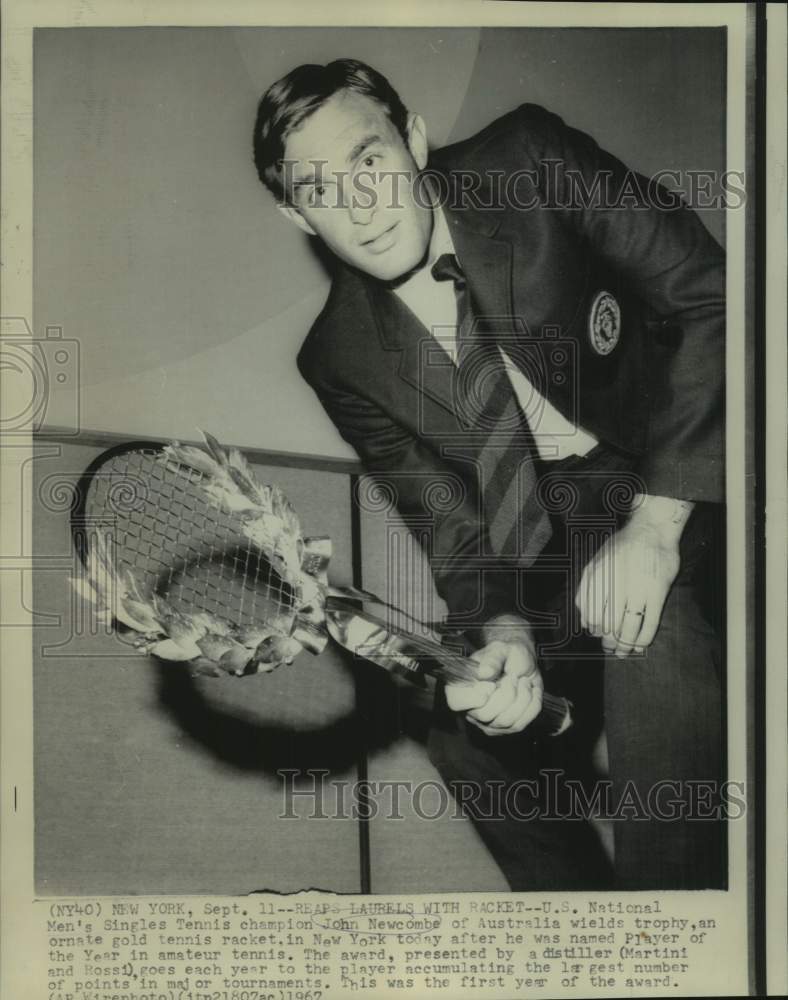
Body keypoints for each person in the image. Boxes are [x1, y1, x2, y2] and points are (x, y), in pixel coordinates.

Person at [252, 59, 726, 890]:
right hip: (559, 521)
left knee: (643, 622)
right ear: (294, 214)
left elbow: (714, 296)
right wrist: (503, 634)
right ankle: (591, 942)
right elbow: (453, 527)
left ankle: (679, 937)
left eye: (370, 161)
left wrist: (656, 523)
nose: (360, 206)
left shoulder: (527, 160)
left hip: (691, 445)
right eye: (321, 190)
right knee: (463, 735)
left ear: (416, 140)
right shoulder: (339, 358)